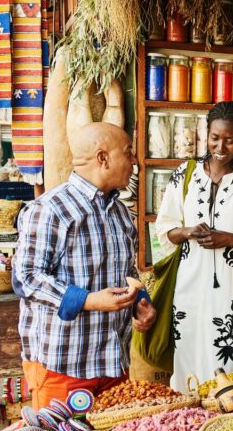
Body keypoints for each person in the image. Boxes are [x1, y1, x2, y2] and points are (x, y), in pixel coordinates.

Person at [13, 123, 156, 409]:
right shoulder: (50, 209)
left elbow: (125, 273)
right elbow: (26, 278)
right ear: (103, 158)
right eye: (128, 153)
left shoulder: (120, 213)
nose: (134, 162)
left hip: (113, 363)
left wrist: (140, 302)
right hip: (64, 366)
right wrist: (89, 301)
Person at [155, 102, 233, 389]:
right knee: (189, 360)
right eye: (214, 138)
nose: (221, 146)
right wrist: (185, 231)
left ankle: (232, 426)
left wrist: (231, 240)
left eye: (230, 139)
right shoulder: (184, 174)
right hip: (189, 290)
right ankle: (190, 424)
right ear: (206, 134)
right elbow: (164, 231)